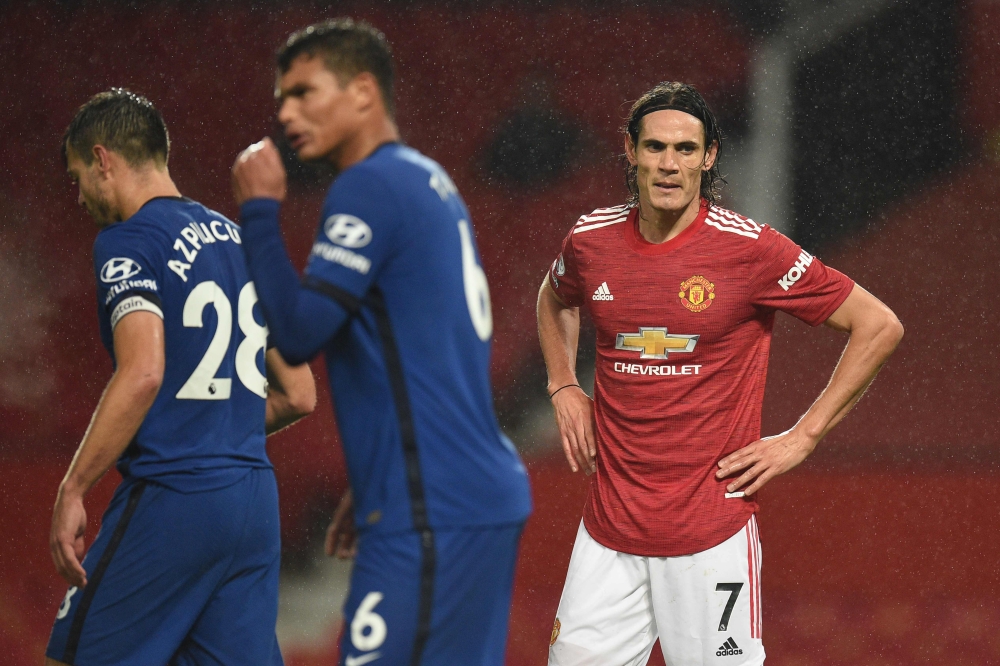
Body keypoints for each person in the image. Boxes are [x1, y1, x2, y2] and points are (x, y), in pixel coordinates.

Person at [537, 81, 904, 666]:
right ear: (630, 151)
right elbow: (555, 296)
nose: (669, 164)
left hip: (710, 537)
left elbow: (878, 324)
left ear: (708, 157)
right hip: (608, 535)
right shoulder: (591, 239)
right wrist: (563, 383)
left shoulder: (750, 250)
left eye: (686, 149)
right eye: (655, 147)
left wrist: (804, 435)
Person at [230, 18, 532, 666]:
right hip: (469, 497)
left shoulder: (367, 186)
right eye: (281, 98)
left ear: (363, 92)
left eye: (303, 92)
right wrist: (381, 473)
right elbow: (440, 352)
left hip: (430, 510)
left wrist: (258, 210)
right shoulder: (429, 182)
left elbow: (297, 333)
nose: (285, 113)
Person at [46, 89, 316, 666]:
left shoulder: (129, 241)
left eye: (77, 176)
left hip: (176, 498)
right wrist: (219, 426)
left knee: (71, 658)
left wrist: (74, 487)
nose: (80, 196)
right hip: (252, 503)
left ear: (102, 160)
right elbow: (300, 393)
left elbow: (144, 371)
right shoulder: (240, 242)